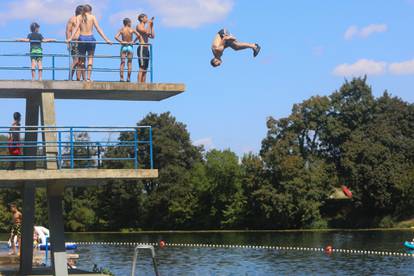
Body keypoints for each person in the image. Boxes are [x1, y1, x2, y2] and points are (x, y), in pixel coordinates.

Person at [67, 4, 112, 82]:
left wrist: (70, 38)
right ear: (90, 10)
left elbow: (76, 28)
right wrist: (106, 39)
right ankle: (88, 78)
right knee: (90, 58)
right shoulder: (92, 17)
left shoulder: (79, 17)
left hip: (81, 38)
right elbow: (98, 29)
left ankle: (82, 78)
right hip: (90, 38)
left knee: (82, 60)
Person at [115, 18, 142, 82]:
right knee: (129, 63)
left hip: (124, 46)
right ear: (128, 23)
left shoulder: (122, 29)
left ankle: (121, 78)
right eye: (130, 22)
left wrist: (121, 41)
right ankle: (128, 78)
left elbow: (116, 37)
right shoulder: (131, 29)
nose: (131, 24)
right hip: (130, 46)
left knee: (122, 63)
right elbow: (139, 35)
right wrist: (133, 41)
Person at [66, 5, 84, 81]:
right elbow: (68, 31)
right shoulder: (72, 19)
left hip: (82, 42)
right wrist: (68, 42)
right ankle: (70, 78)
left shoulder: (83, 19)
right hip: (75, 41)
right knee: (75, 61)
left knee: (81, 62)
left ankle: (78, 78)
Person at [136, 13, 155, 83]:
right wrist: (149, 24)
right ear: (141, 18)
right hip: (141, 47)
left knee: (145, 68)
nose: (147, 19)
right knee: (141, 67)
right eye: (146, 17)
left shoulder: (146, 27)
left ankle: (143, 84)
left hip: (147, 49)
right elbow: (146, 31)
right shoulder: (139, 26)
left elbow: (152, 36)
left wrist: (152, 26)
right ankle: (138, 84)